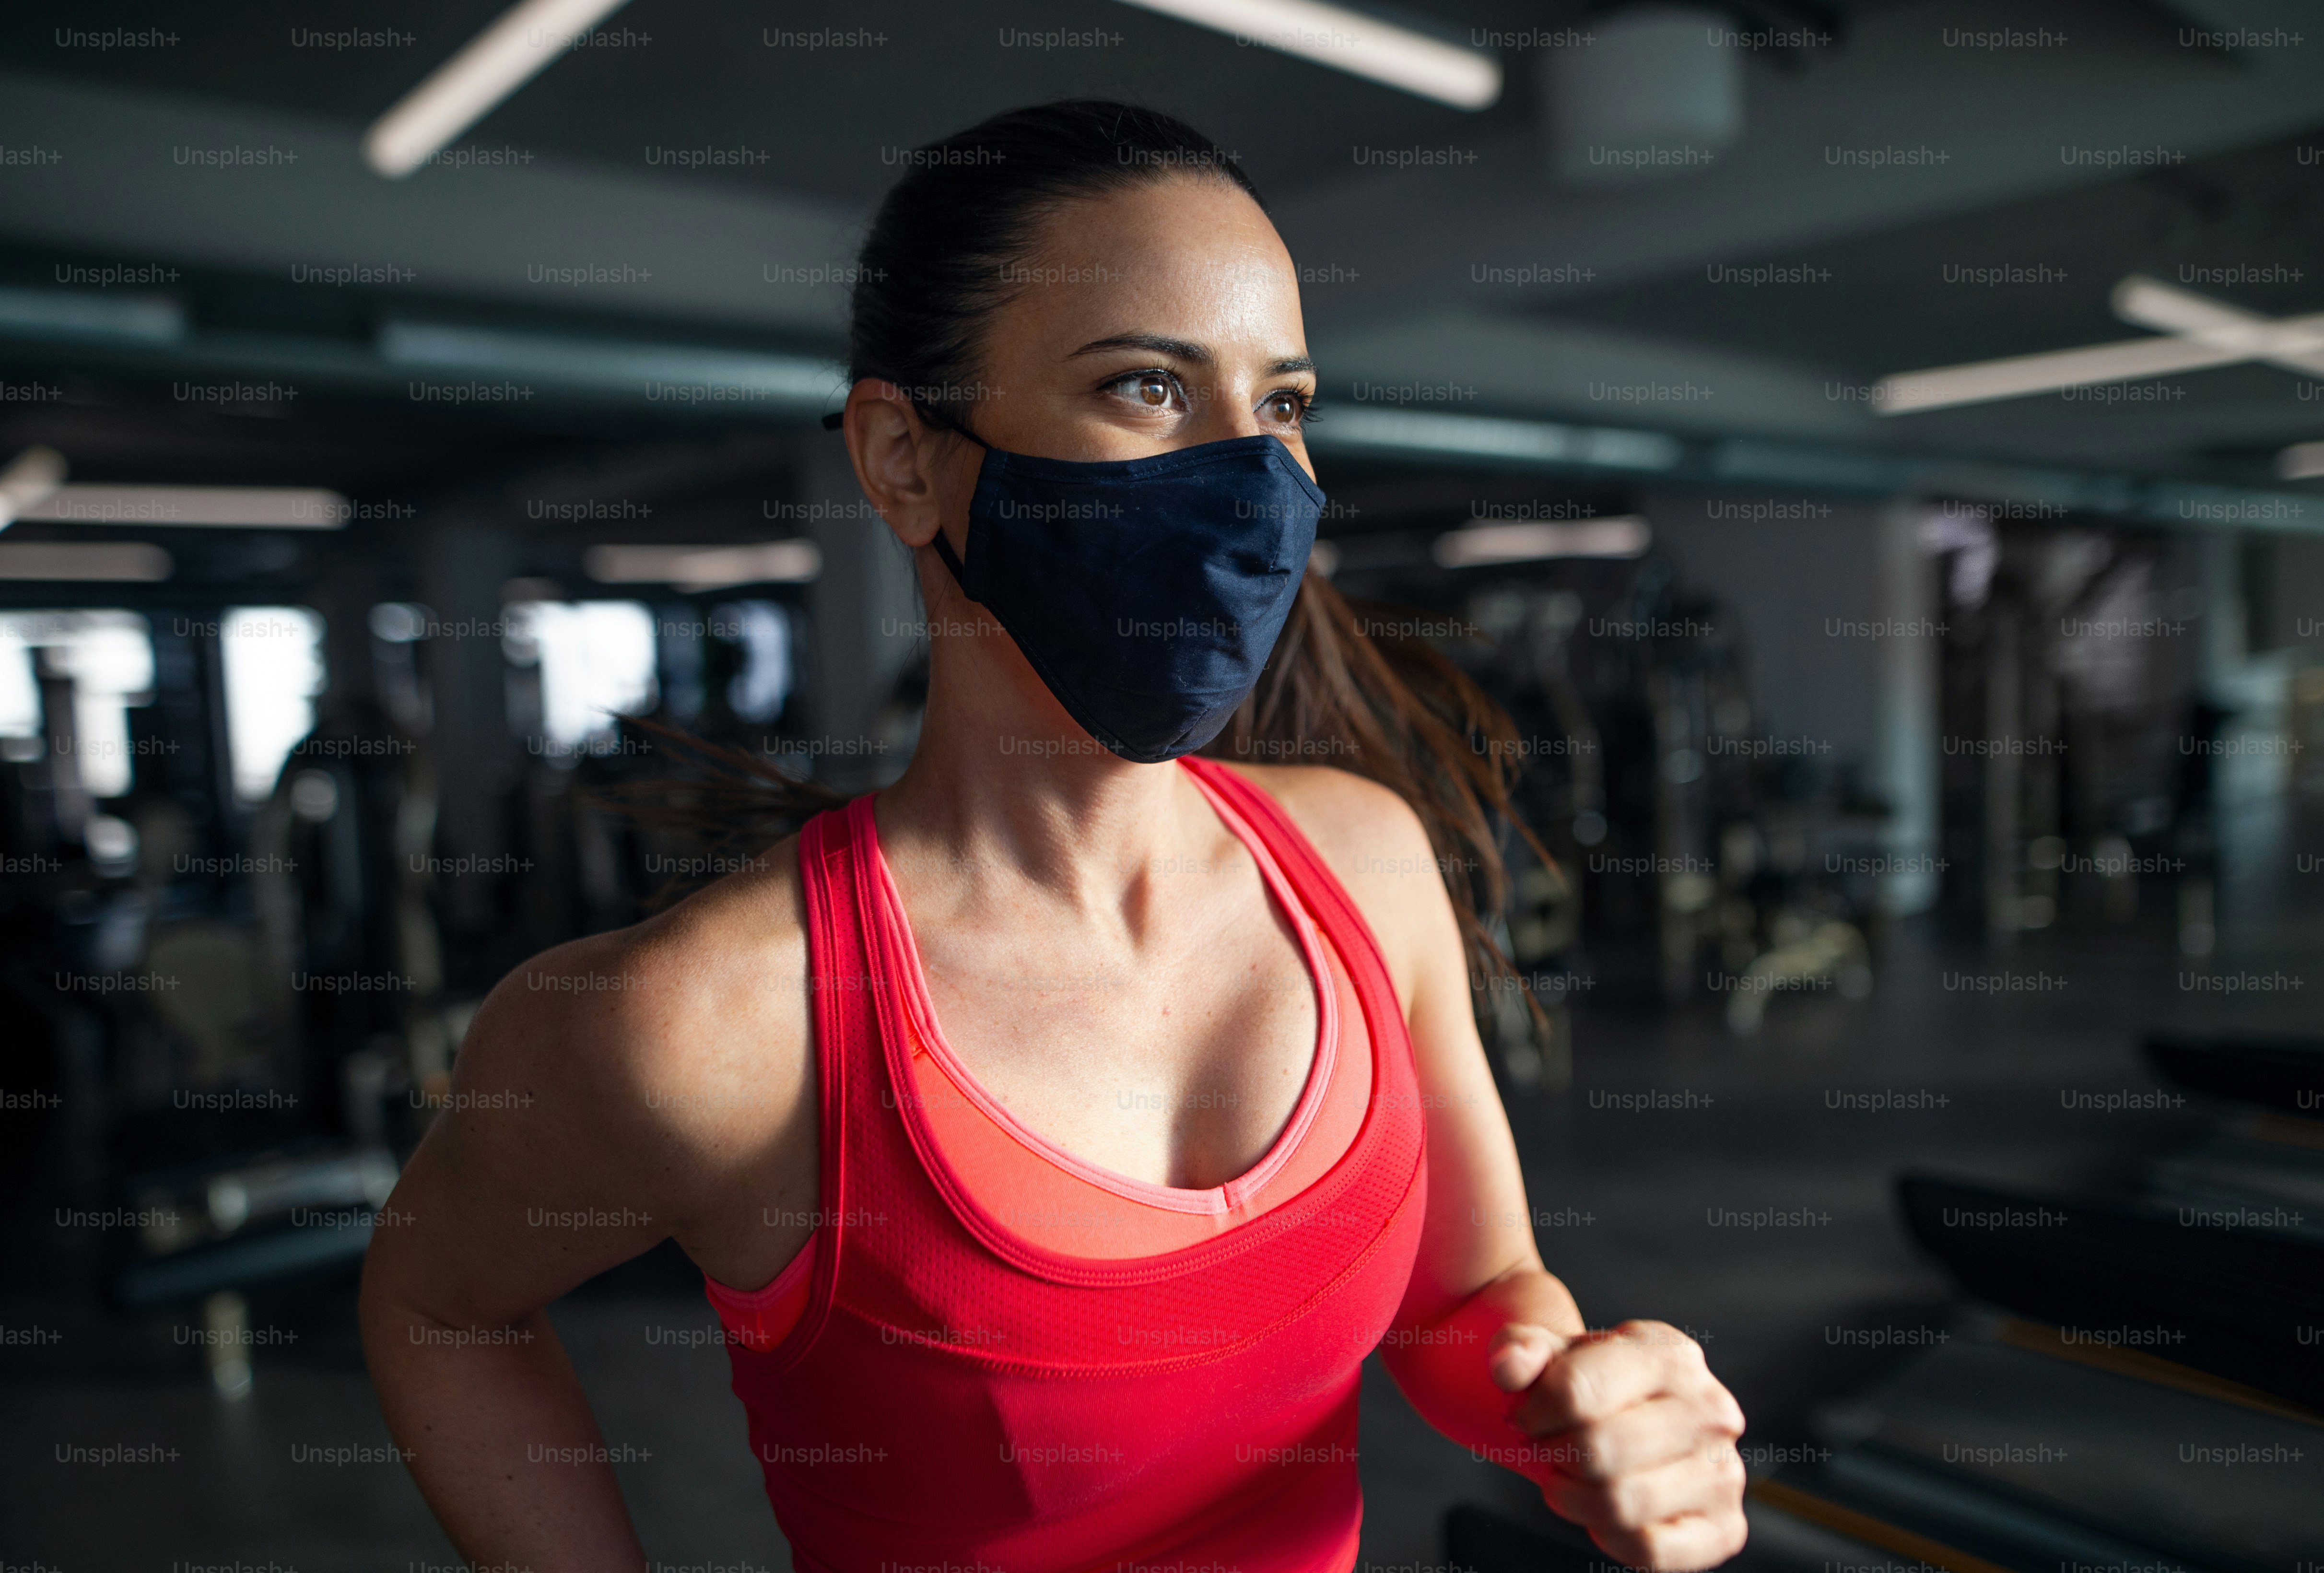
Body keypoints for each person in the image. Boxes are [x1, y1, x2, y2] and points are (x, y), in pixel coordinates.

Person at [359, 100, 1748, 1573]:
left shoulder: (1364, 861)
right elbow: (440, 1305)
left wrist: (1576, 1403)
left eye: (1281, 405)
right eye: (1148, 387)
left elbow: (1467, 1298)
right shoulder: (706, 1025)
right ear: (902, 459)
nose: (1256, 484)